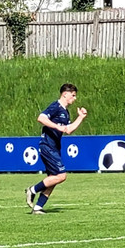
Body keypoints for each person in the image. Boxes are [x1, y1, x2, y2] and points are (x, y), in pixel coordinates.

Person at [25, 83, 87, 215]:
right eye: (73, 95)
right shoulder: (55, 107)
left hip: (54, 146)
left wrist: (80, 117)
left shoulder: (65, 112)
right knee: (61, 176)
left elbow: (68, 130)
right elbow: (41, 118)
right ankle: (32, 190)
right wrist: (57, 127)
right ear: (65, 94)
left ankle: (38, 207)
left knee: (53, 178)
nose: (75, 98)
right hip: (47, 145)